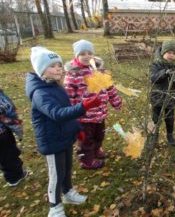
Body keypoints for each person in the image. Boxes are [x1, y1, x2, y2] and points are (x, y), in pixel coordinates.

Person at [25, 47, 101, 217]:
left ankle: (68, 194)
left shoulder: (56, 87)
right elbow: (57, 114)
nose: (59, 68)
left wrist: (78, 129)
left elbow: (66, 111)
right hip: (52, 140)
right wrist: (84, 106)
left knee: (66, 169)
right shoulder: (40, 93)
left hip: (64, 136)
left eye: (59, 64)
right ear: (41, 70)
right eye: (52, 66)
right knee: (56, 174)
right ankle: (54, 207)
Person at [64, 39, 122, 169]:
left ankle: (96, 151)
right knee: (86, 140)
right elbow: (69, 95)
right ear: (76, 55)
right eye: (82, 53)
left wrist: (116, 101)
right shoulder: (73, 74)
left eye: (89, 53)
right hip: (84, 116)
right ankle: (86, 160)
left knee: (99, 135)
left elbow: (109, 87)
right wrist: (72, 113)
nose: (86, 56)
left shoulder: (99, 70)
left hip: (100, 113)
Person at [149, 41, 175, 146]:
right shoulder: (156, 64)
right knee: (155, 119)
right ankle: (153, 137)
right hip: (157, 97)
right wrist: (164, 73)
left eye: (173, 53)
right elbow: (153, 78)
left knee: (169, 118)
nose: (171, 55)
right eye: (169, 52)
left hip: (170, 98)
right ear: (163, 53)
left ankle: (170, 136)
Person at [0, 89, 28, 187]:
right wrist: (18, 127)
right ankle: (15, 177)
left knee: (4, 156)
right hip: (2, 134)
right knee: (9, 155)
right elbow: (8, 109)